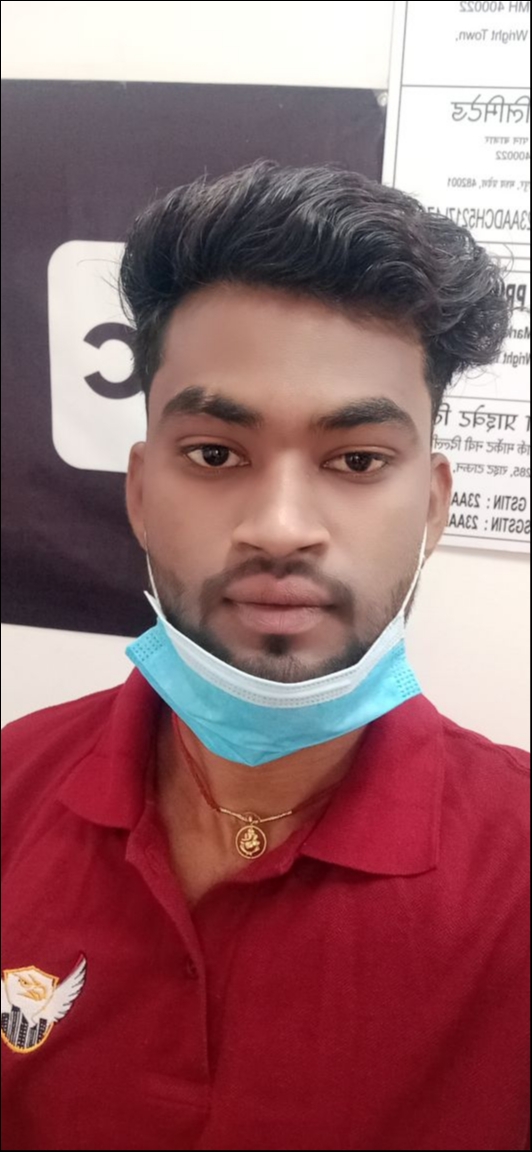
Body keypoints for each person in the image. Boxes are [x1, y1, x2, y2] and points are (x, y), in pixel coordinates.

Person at [1, 163, 529, 1152]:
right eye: (215, 454)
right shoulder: (10, 790)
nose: (280, 527)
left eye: (357, 460)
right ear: (140, 493)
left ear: (431, 506)